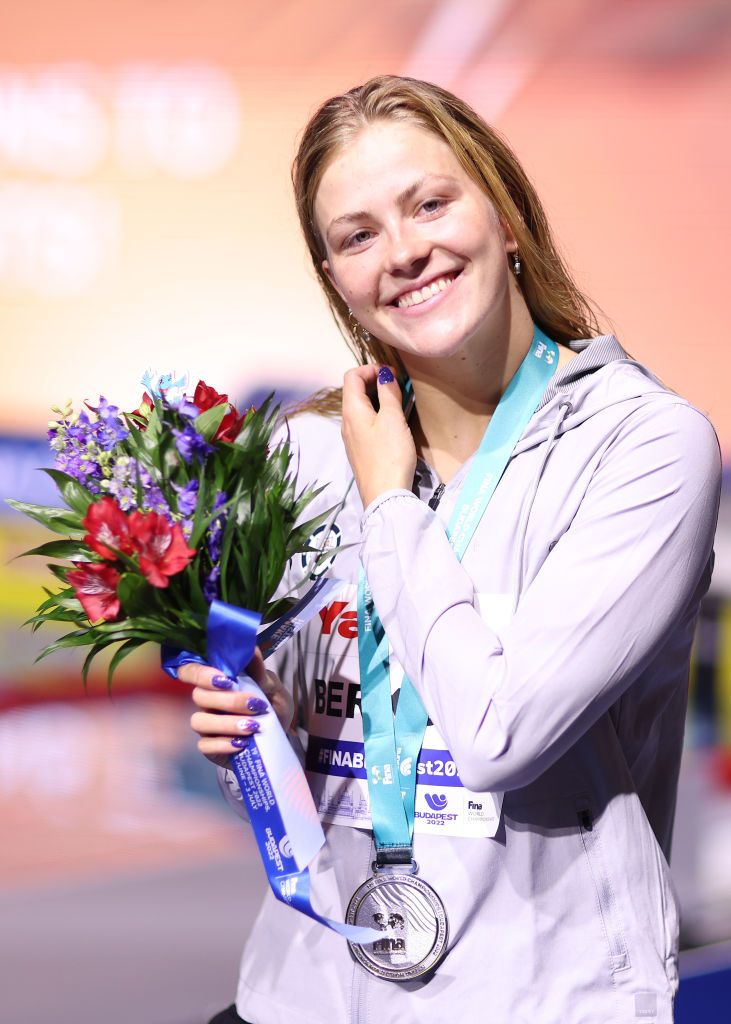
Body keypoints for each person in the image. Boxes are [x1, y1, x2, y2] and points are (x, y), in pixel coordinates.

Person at [178, 76, 721, 1024]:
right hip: (307, 992)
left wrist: (391, 500)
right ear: (335, 279)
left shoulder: (644, 447)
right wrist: (249, 730)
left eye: (430, 203)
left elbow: (496, 736)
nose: (405, 253)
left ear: (506, 216)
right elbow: (317, 766)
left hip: (542, 997)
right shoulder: (306, 453)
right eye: (356, 236)